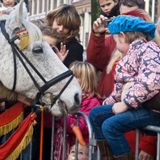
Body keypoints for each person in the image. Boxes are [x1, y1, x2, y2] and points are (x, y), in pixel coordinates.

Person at [87, 0, 157, 159]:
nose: (115, 44)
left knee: (110, 126)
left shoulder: (149, 49)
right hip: (138, 106)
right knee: (95, 114)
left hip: (152, 110)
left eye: (116, 41)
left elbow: (151, 82)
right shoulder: (127, 57)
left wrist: (126, 103)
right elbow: (119, 88)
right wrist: (108, 104)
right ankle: (108, 156)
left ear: (123, 36)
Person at [53, 61, 101, 160]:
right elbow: (50, 124)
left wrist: (61, 116)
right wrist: (50, 111)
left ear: (86, 80)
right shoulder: (66, 99)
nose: (69, 79)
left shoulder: (93, 102)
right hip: (64, 147)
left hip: (81, 151)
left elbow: (81, 126)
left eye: (74, 76)